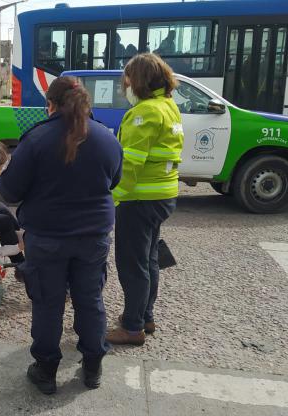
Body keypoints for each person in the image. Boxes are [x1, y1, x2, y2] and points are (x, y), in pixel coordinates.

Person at [0, 76, 123, 395]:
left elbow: (10, 191)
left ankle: (46, 370)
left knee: (47, 303)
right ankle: (92, 367)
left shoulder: (37, 139)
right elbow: (114, 181)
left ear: (50, 105)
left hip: (47, 238)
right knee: (90, 300)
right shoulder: (107, 139)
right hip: (93, 237)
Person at [107, 53, 184, 346]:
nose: (124, 84)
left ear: (137, 80)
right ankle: (145, 316)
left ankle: (132, 327)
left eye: (127, 78)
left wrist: (111, 199)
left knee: (132, 264)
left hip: (140, 199)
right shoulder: (168, 106)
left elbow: (130, 165)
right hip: (163, 196)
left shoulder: (145, 113)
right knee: (149, 259)